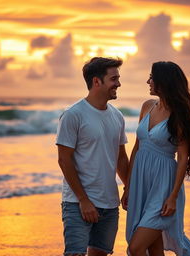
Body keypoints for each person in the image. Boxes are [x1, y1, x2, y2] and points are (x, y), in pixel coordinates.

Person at [121, 61, 190, 256]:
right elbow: (137, 147)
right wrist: (128, 186)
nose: (148, 81)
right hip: (142, 183)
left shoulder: (180, 115)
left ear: (164, 82)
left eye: (152, 78)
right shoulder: (147, 106)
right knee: (153, 248)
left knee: (136, 247)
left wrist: (173, 197)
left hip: (163, 185)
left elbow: (183, 157)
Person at [56, 57, 129, 256]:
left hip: (109, 203)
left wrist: (129, 187)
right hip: (78, 204)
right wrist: (83, 200)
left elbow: (121, 158)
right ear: (97, 81)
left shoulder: (117, 116)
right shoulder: (73, 114)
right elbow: (64, 160)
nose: (118, 84)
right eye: (114, 79)